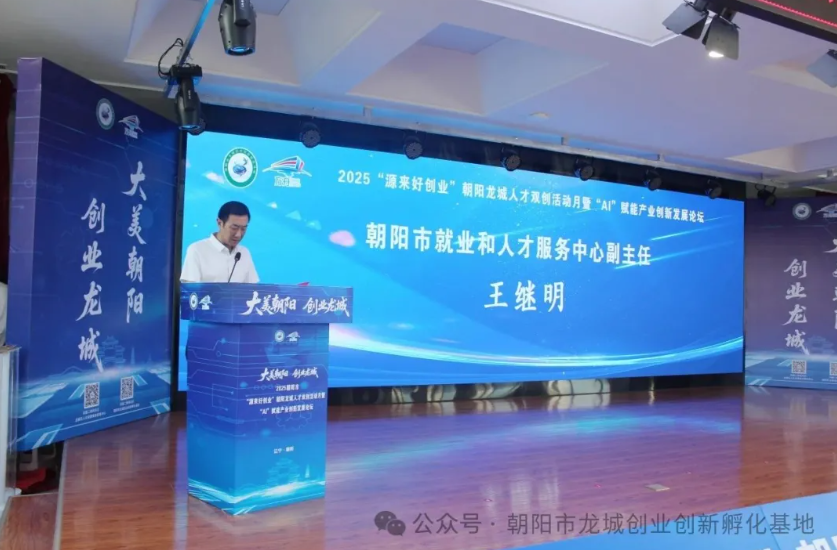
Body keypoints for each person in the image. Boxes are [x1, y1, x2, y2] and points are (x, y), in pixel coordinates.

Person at [180, 201, 259, 283]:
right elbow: (190, 288)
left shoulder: (244, 252)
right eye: (234, 228)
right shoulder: (197, 250)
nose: (238, 234)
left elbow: (252, 287)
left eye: (243, 229)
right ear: (220, 223)